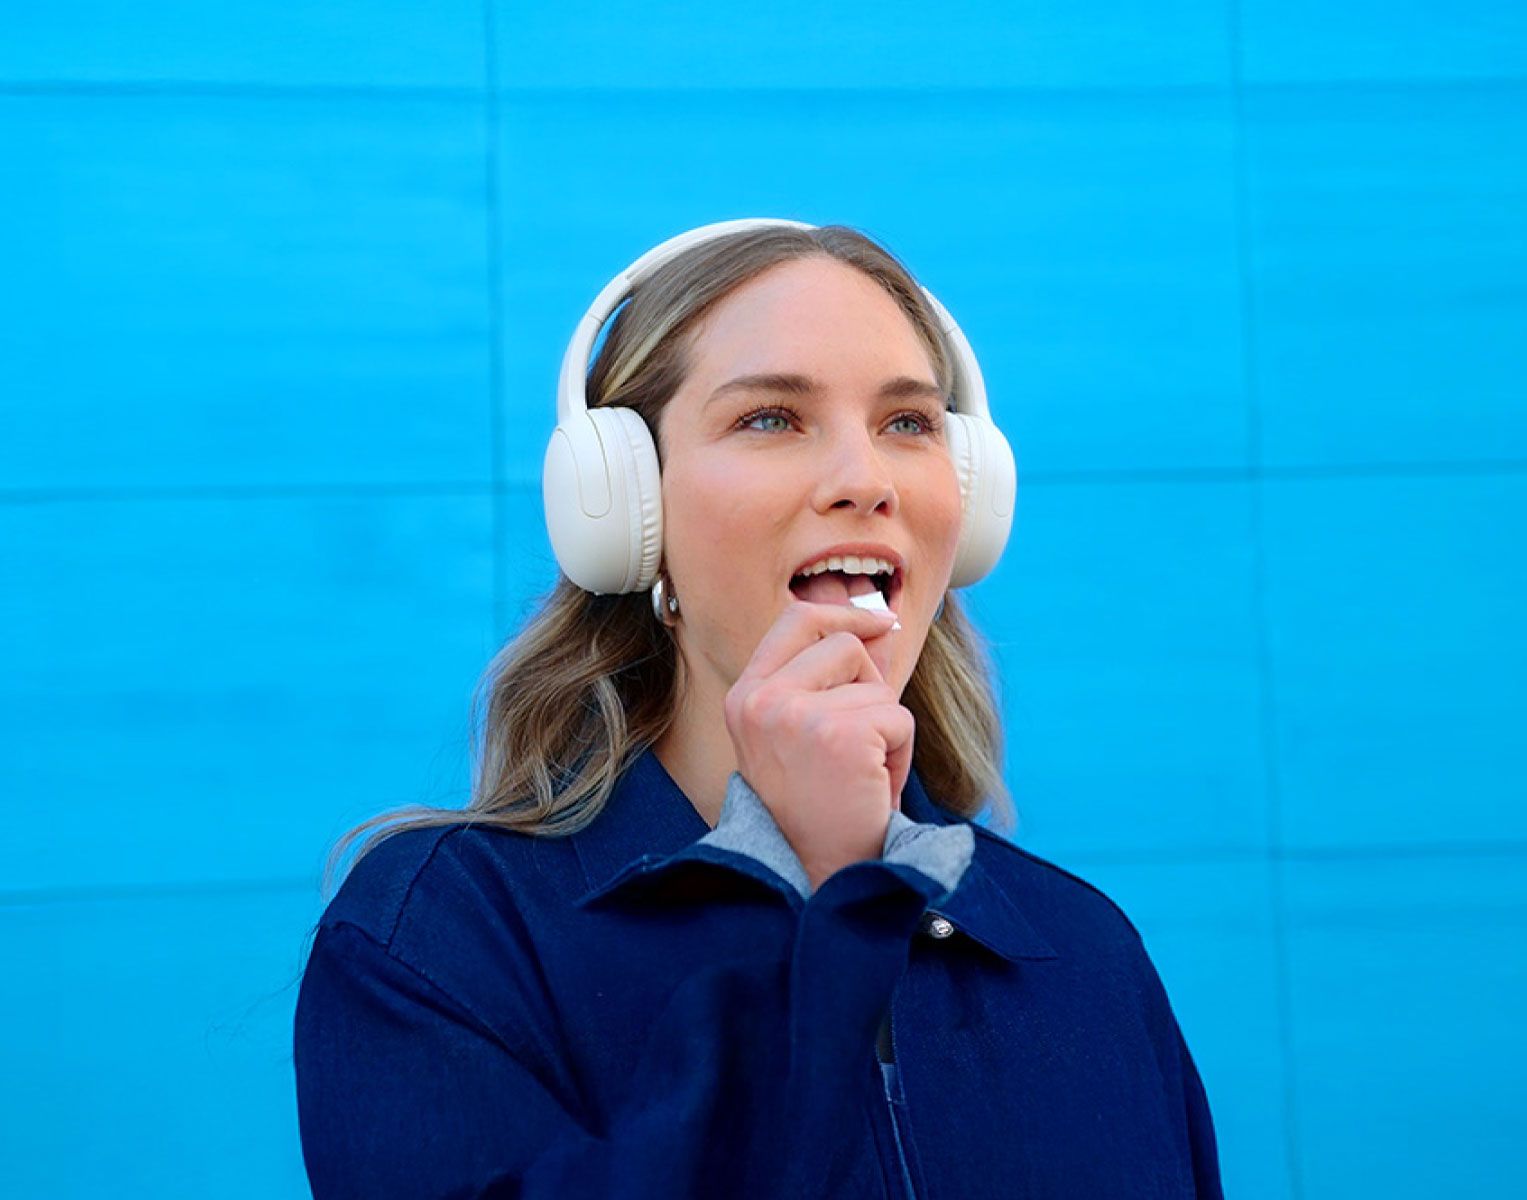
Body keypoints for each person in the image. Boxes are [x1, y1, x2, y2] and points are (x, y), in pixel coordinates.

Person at [292, 218, 1225, 1198]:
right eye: (772, 418)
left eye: (908, 423)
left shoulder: (1080, 948)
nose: (865, 481)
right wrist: (821, 900)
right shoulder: (441, 939)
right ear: (624, 507)